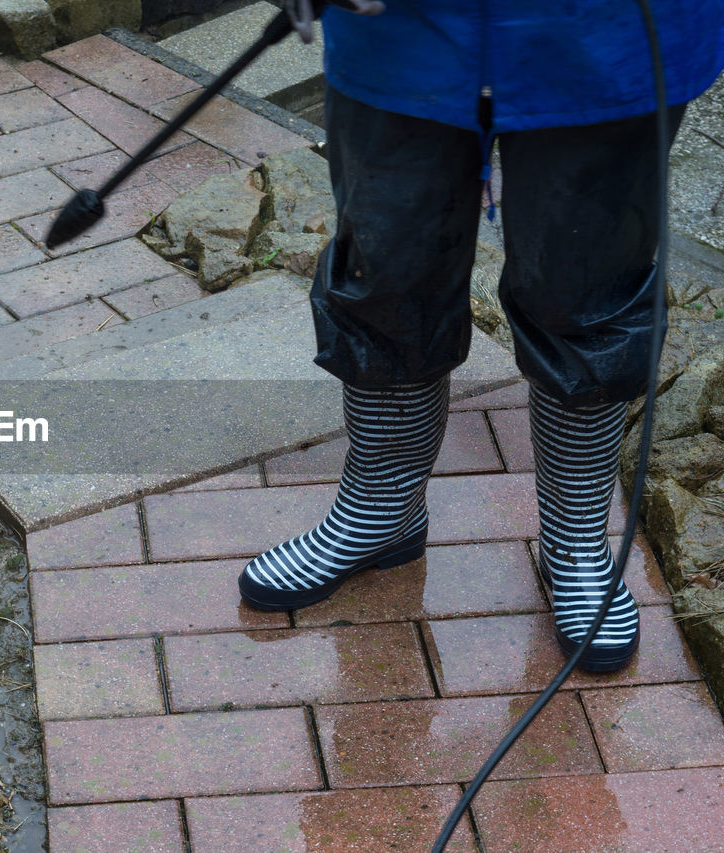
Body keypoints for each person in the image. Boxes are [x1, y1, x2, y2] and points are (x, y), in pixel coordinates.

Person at [237, 0, 724, 672]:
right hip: (400, 31)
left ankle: (577, 540)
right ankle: (382, 509)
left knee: (589, 288)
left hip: (608, 34)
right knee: (386, 269)